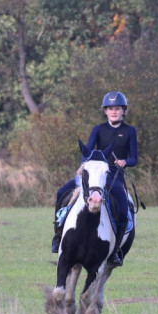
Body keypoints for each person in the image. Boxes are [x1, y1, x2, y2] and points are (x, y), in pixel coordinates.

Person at [52, 91, 138, 267]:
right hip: (93, 172)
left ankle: (115, 251)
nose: (114, 111)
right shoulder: (98, 129)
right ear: (105, 111)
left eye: (117, 108)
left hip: (114, 175)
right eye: (110, 109)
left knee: (123, 209)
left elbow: (134, 158)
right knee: (62, 192)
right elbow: (88, 151)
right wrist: (83, 165)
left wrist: (125, 162)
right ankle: (58, 236)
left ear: (123, 110)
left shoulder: (129, 131)